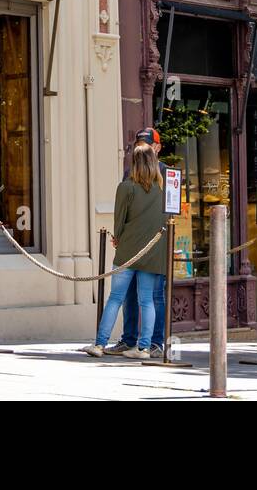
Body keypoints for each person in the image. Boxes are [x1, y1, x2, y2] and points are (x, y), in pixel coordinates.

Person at [83, 143, 168, 359]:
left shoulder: (126, 187)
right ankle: (144, 348)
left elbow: (119, 220)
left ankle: (100, 344)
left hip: (128, 250)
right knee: (147, 300)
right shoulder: (162, 188)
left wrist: (117, 239)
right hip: (152, 251)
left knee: (115, 298)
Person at [107, 126, 167, 356]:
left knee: (154, 295)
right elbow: (125, 208)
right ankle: (129, 339)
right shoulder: (129, 173)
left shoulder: (165, 173)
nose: (142, 149)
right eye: (139, 145)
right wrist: (120, 236)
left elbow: (170, 211)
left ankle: (154, 342)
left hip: (155, 245)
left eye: (147, 145)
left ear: (157, 147)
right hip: (133, 244)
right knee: (129, 294)